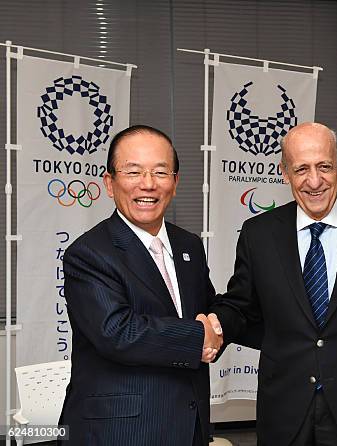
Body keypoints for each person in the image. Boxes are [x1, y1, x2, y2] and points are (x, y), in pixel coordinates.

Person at [209, 123, 337, 445]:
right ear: (284, 173)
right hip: (284, 411)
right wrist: (215, 324)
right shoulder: (258, 234)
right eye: (301, 169)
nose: (315, 181)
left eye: (324, 166)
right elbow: (241, 306)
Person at [59, 125, 222, 445]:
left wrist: (218, 323)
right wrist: (199, 335)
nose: (148, 184)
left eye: (160, 172)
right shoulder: (89, 253)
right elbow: (118, 332)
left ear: (175, 182)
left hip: (189, 425)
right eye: (133, 172)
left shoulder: (188, 244)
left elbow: (206, 305)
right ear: (109, 182)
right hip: (121, 431)